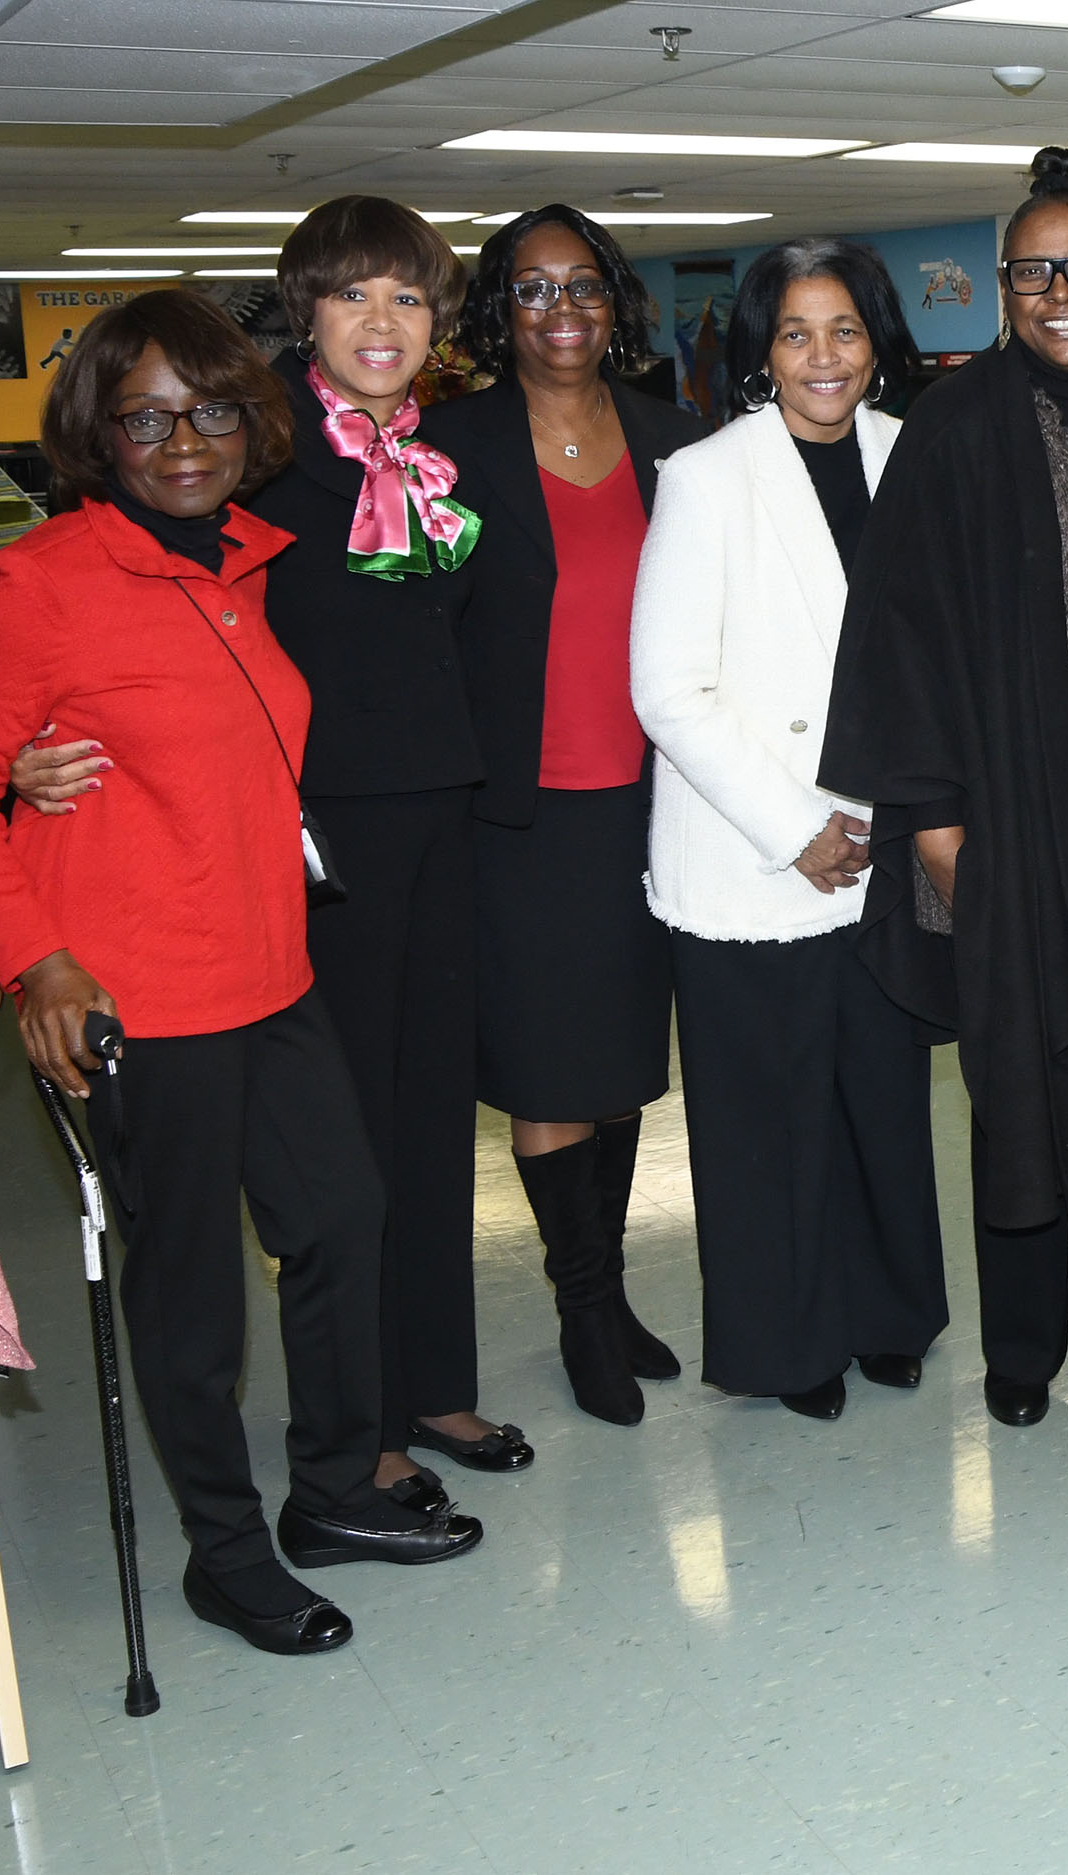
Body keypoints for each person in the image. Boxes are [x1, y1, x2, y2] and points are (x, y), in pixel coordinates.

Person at [0, 291, 481, 1661]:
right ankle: (225, 1555)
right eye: (148, 416)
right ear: (98, 433)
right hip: (132, 997)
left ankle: (334, 1489)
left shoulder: (246, 563)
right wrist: (37, 959)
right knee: (192, 1301)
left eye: (212, 409)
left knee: (342, 1215)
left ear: (249, 419)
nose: (184, 440)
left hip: (270, 970)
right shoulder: (36, 584)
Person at [11, 196, 527, 1508]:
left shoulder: (436, 453)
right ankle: (356, 1431)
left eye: (407, 298)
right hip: (307, 833)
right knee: (333, 1159)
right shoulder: (251, 452)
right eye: (354, 295)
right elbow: (115, 587)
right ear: (305, 312)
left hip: (439, 813)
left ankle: (433, 1376)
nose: (382, 322)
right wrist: (33, 745)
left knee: (424, 1118)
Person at [821, 147, 1068, 1430]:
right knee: (1021, 1083)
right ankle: (1022, 1351)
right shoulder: (955, 423)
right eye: (1034, 270)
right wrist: (931, 819)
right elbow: (900, 631)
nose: (1059, 290)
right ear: (1001, 287)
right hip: (1007, 815)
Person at [627, 237, 946, 1421]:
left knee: (879, 1099)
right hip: (755, 850)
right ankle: (784, 1344)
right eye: (798, 335)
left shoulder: (908, 456)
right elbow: (668, 689)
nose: (825, 358)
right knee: (768, 1121)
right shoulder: (707, 475)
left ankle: (887, 1316)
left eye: (846, 332)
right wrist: (796, 825)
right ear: (763, 353)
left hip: (886, 847)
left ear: (877, 345)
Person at [421, 204, 707, 1428]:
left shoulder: (671, 442)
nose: (560, 312)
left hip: (648, 804)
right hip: (516, 813)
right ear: (499, 312)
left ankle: (614, 1290)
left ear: (614, 301)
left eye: (580, 287)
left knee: (620, 1066)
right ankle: (582, 1304)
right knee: (548, 1065)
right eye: (530, 291)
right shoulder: (444, 448)